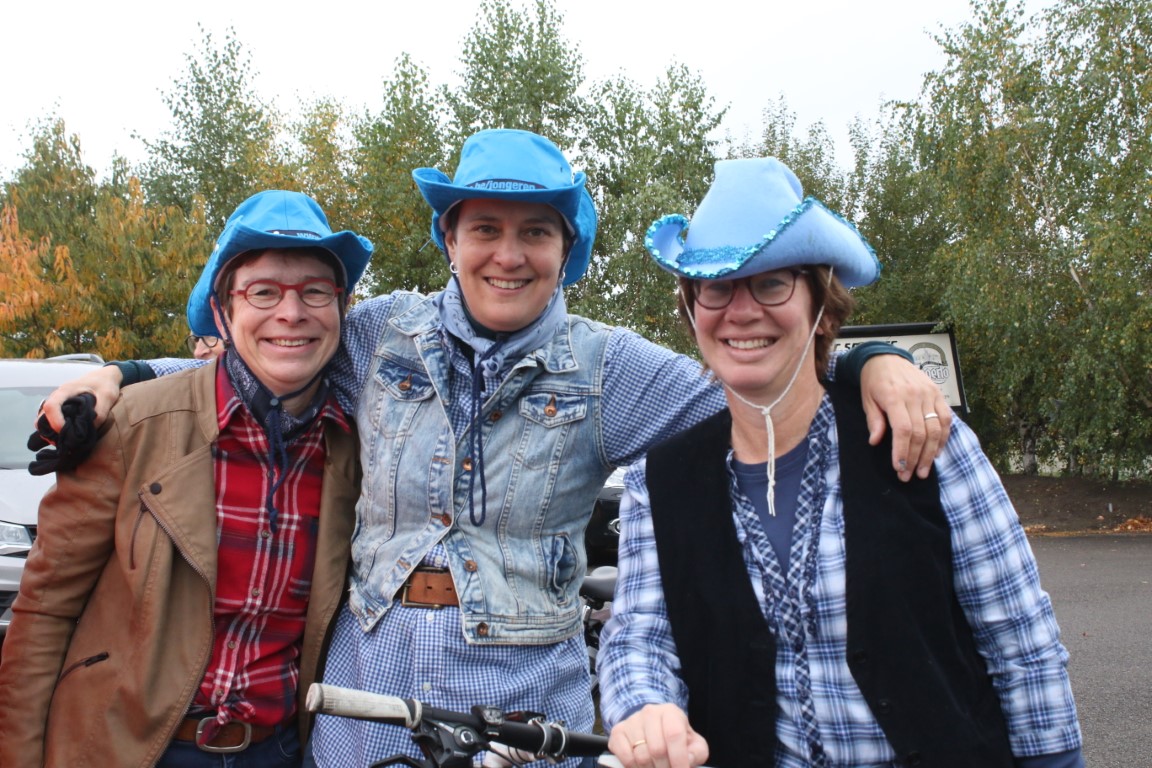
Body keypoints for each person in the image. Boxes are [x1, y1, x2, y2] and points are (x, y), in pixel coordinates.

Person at [37, 130, 951, 768]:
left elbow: (756, 384)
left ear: (567, 249)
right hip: (364, 695)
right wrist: (118, 373)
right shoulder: (381, 336)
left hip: (529, 706)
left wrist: (868, 362)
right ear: (450, 239)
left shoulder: (608, 368)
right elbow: (261, 359)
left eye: (534, 232)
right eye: (485, 228)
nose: (507, 254)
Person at [597, 158, 1084, 768]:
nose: (740, 310)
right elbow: (639, 639)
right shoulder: (658, 482)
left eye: (771, 283)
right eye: (716, 287)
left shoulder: (923, 438)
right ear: (693, 311)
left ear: (822, 308)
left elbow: (1020, 639)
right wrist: (644, 707)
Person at [0, 190, 371, 767]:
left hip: (279, 752)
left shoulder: (353, 446)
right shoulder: (132, 426)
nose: (291, 312)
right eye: (263, 291)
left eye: (315, 291)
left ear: (341, 309)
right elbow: (45, 613)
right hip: (126, 747)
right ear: (223, 313)